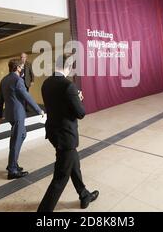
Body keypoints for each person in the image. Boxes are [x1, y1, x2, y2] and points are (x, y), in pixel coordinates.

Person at [37, 54, 99, 212]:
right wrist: (79, 98)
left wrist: (73, 99)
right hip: (66, 136)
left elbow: (57, 106)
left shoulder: (46, 83)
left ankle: (84, 194)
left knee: (73, 163)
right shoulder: (68, 86)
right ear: (68, 67)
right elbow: (80, 113)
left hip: (53, 132)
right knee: (60, 177)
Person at [0, 59, 45, 179]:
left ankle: (12, 163)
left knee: (21, 135)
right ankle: (12, 170)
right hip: (18, 115)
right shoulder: (18, 80)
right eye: (21, 67)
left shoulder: (4, 80)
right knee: (16, 141)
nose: (22, 69)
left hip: (10, 115)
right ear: (17, 67)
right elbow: (27, 96)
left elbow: (0, 99)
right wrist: (39, 110)